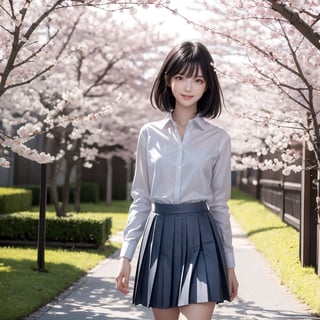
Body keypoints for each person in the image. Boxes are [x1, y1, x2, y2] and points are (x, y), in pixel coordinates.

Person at [116, 41, 239, 320]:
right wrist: (126, 257)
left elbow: (220, 204)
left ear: (207, 86)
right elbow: (141, 199)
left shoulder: (218, 139)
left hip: (202, 237)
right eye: (180, 77)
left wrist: (229, 265)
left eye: (197, 80)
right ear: (168, 80)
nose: (188, 87)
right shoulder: (149, 135)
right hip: (161, 237)